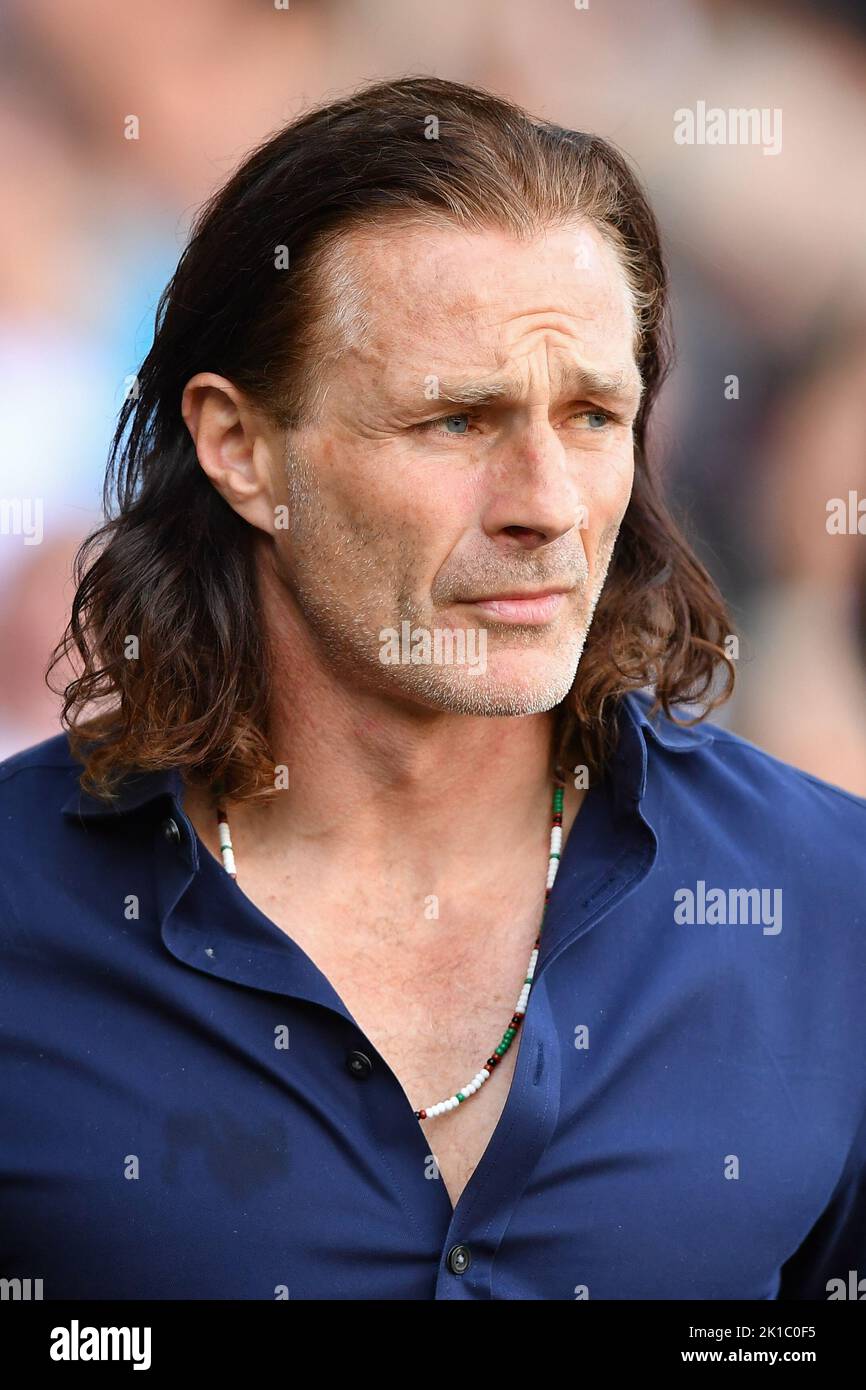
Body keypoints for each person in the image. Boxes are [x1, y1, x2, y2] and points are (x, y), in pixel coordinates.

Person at [1, 76, 864, 1301]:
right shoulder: (22, 915)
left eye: (591, 414)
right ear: (241, 448)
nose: (546, 504)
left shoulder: (826, 905)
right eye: (456, 420)